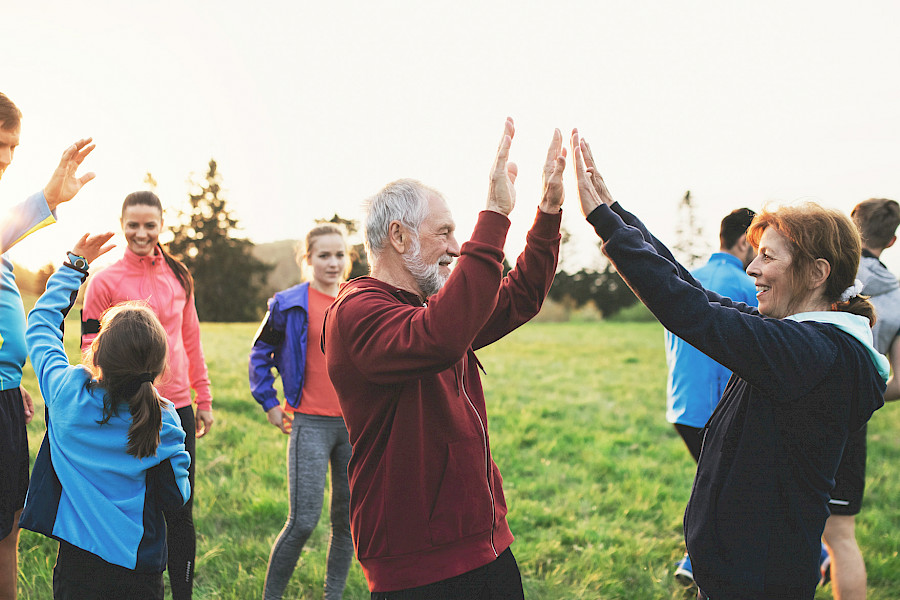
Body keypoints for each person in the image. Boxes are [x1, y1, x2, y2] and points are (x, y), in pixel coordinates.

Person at [571, 130, 886, 600]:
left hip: (756, 581)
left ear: (817, 273)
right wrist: (615, 215)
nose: (752, 270)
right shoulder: (799, 341)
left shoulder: (811, 353)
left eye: (768, 257)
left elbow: (690, 312)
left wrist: (604, 222)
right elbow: (697, 295)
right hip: (740, 572)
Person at [322, 119, 565, 599]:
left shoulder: (433, 310)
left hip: (488, 546)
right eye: (445, 233)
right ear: (399, 236)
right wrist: (494, 213)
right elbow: (441, 336)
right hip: (420, 571)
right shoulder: (356, 313)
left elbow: (519, 297)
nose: (456, 247)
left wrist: (548, 211)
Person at [19, 233, 191, 599]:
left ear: (96, 351)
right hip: (138, 569)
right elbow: (177, 497)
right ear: (159, 368)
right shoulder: (166, 421)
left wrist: (74, 266)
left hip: (76, 567)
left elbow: (40, 326)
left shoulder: (66, 392)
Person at [81, 191, 213, 600]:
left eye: (149, 225)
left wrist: (203, 398)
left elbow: (190, 337)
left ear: (161, 225)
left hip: (177, 410)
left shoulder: (179, 276)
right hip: (125, 408)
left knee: (179, 509)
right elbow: (90, 347)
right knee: (134, 505)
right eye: (133, 225)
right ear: (123, 225)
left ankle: (182, 594)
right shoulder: (103, 281)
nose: (141, 233)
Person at [0, 91, 95, 600]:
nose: (6, 158)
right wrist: (46, 200)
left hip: (7, 401)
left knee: (8, 527)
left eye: (13, 146)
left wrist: (10, 380)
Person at [249, 224, 354, 600]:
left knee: (346, 523)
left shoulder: (358, 299)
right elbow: (261, 353)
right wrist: (270, 403)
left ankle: (333, 595)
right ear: (306, 259)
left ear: (349, 258)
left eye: (340, 255)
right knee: (303, 520)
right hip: (308, 423)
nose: (333, 262)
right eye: (323, 255)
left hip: (354, 427)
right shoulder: (288, 303)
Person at [666, 207, 758, 584]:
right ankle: (698, 562)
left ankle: (695, 562)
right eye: (761, 247)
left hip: (682, 404)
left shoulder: (688, 277)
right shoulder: (747, 284)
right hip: (719, 408)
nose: (761, 259)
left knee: (718, 485)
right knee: (735, 489)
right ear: (742, 242)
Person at [819, 198, 900, 600]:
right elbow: (898, 381)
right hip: (851, 422)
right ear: (894, 238)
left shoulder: (828, 271)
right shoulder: (899, 297)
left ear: (851, 227)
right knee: (840, 536)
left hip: (797, 407)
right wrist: (861, 389)